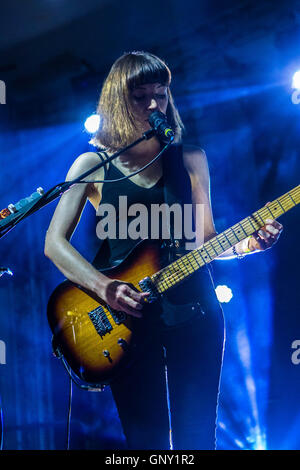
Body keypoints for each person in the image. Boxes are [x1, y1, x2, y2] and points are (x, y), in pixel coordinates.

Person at [44, 51, 283, 450]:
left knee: (197, 440)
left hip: (196, 312)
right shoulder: (92, 164)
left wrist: (249, 244)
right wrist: (104, 288)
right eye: (141, 96)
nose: (155, 104)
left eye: (162, 93)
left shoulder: (190, 160)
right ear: (118, 102)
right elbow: (53, 243)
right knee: (146, 442)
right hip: (125, 321)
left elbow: (205, 242)